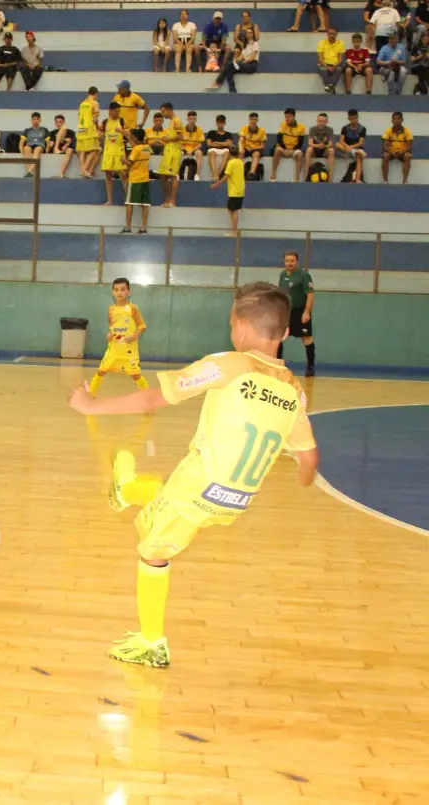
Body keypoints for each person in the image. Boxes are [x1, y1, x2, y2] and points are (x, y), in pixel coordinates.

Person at [66, 281, 320, 668]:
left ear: (237, 326)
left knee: (152, 550)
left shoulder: (228, 365)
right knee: (160, 521)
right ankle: (129, 488)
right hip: (236, 502)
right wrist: (301, 477)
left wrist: (91, 406)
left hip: (197, 487)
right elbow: (309, 459)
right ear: (286, 333)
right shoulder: (294, 390)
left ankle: (152, 643)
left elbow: (157, 397)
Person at [89, 277, 148, 396]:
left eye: (122, 289)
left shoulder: (133, 308)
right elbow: (112, 327)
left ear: (128, 292)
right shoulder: (111, 310)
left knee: (136, 375)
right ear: (112, 292)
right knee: (101, 371)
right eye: (116, 290)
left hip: (129, 350)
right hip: (114, 349)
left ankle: (148, 399)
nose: (119, 292)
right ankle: (89, 396)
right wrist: (109, 335)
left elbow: (142, 326)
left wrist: (135, 336)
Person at [277, 251, 317, 376]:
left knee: (307, 338)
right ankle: (278, 365)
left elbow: (310, 295)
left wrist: (306, 312)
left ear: (297, 262)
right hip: (286, 311)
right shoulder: (282, 275)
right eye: (287, 261)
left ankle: (310, 367)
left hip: (300, 311)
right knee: (279, 337)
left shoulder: (304, 276)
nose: (289, 263)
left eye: (292, 261)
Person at [123, 131, 152, 234]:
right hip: (145, 178)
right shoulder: (147, 147)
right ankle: (143, 227)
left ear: (135, 137)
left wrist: (122, 159)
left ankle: (128, 227)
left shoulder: (135, 149)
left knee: (129, 203)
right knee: (145, 204)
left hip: (135, 179)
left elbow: (129, 163)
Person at [210, 152, 245, 236]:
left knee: (233, 210)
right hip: (240, 189)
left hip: (234, 191)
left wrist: (216, 184)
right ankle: (234, 230)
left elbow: (226, 177)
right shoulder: (240, 162)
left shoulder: (231, 163)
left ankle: (234, 231)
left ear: (230, 154)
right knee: (232, 210)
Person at [100, 102, 127, 204]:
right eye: (116, 111)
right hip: (108, 152)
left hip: (119, 151)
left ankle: (128, 198)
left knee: (124, 174)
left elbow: (129, 134)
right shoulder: (105, 122)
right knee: (108, 175)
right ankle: (109, 200)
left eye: (119, 111)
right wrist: (100, 135)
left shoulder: (122, 121)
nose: (118, 113)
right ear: (110, 111)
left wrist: (122, 131)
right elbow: (100, 135)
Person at [156, 103, 182, 206]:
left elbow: (180, 136)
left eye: (163, 112)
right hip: (168, 151)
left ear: (169, 110)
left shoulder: (177, 120)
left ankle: (172, 201)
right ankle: (167, 198)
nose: (163, 114)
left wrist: (169, 138)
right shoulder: (172, 121)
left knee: (173, 175)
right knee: (162, 175)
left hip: (174, 152)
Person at [271, 108, 307, 182]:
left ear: (294, 116)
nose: (287, 119)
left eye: (289, 117)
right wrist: (285, 149)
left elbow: (301, 142)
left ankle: (296, 178)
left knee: (300, 155)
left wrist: (292, 149)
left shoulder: (301, 127)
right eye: (286, 117)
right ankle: (273, 174)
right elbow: (279, 139)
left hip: (294, 149)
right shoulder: (283, 124)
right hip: (283, 148)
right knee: (277, 150)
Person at [76, 86, 101, 178]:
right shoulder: (94, 103)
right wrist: (97, 128)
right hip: (90, 129)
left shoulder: (82, 103)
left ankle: (83, 169)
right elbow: (95, 119)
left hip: (81, 129)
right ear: (96, 94)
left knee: (82, 150)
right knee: (95, 149)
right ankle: (85, 169)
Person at [381, 111, 413, 184]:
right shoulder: (388, 131)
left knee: (407, 156)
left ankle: (405, 181)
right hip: (391, 152)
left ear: (402, 120)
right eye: (394, 119)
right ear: (392, 121)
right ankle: (385, 181)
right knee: (385, 155)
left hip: (402, 152)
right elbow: (384, 146)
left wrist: (402, 151)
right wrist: (391, 152)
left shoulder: (407, 131)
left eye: (398, 119)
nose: (396, 121)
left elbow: (410, 146)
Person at [337, 109, 368, 182]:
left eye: (355, 118)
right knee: (337, 145)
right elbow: (341, 141)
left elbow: (361, 143)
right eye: (352, 118)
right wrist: (347, 146)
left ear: (357, 117)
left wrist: (351, 147)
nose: (354, 120)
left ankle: (357, 179)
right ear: (349, 119)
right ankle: (354, 151)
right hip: (346, 149)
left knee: (358, 157)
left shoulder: (362, 129)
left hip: (357, 149)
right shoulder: (345, 128)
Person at [304, 113, 336, 182]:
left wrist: (324, 146)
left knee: (331, 150)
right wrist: (318, 145)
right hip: (314, 151)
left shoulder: (330, 130)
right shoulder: (312, 129)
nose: (321, 123)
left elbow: (330, 144)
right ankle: (306, 176)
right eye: (320, 121)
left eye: (323, 121)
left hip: (324, 151)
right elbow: (310, 144)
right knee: (309, 149)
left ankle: (330, 178)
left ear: (326, 122)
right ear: (317, 121)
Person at [20, 112, 49, 177]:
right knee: (26, 148)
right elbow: (21, 143)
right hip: (29, 145)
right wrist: (22, 151)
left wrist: (47, 151)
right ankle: (29, 172)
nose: (35, 121)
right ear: (31, 120)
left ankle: (30, 170)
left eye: (37, 119)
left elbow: (48, 142)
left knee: (37, 149)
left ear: (40, 120)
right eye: (34, 119)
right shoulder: (27, 130)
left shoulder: (44, 129)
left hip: (40, 145)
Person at [318, 28, 346, 92]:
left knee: (339, 69)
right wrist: (328, 67)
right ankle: (331, 86)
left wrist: (334, 67)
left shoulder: (341, 43)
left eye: (333, 34)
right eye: (329, 34)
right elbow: (320, 59)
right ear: (327, 34)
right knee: (323, 69)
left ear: (336, 34)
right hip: (325, 64)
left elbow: (340, 59)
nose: (331, 35)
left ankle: (329, 86)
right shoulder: (322, 43)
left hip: (335, 64)